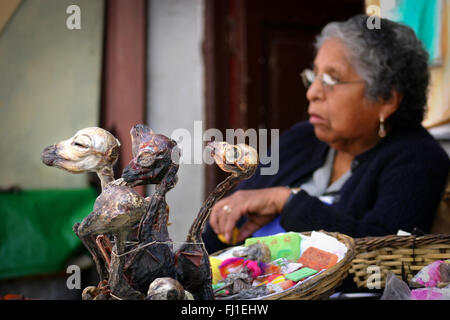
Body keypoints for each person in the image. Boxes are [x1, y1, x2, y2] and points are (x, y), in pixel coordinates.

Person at [202, 14, 450, 255]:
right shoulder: (302, 138)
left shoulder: (418, 158)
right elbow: (226, 222)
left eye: (332, 79)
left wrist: (286, 202)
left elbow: (388, 254)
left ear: (386, 99)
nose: (312, 93)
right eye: (314, 76)